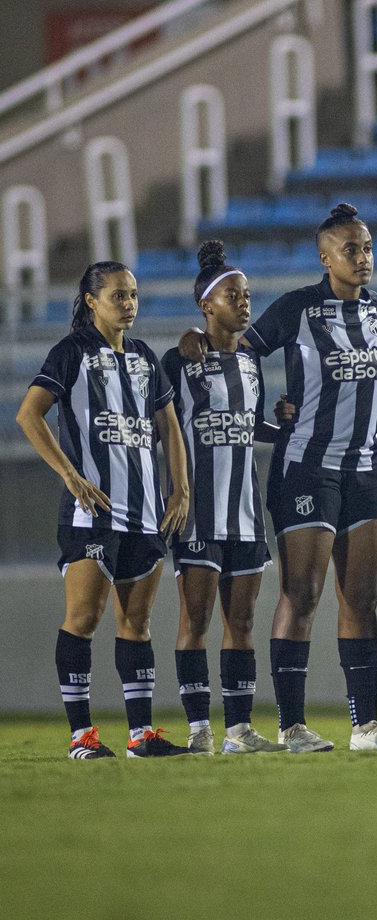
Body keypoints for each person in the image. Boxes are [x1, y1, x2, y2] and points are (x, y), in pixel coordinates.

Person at [179, 202, 377, 751]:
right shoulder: (297, 308)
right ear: (325, 257)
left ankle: (365, 725)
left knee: (362, 599)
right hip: (307, 467)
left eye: (368, 248)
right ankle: (291, 725)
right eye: (350, 249)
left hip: (366, 468)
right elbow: (236, 347)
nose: (363, 258)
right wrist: (196, 337)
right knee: (302, 595)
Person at [16, 261, 190, 759]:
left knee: (137, 622)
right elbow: (29, 413)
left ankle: (141, 736)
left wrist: (180, 490)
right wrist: (69, 474)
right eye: (118, 295)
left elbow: (170, 427)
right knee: (84, 616)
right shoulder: (71, 353)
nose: (129, 304)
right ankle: (83, 737)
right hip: (91, 510)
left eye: (133, 295)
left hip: (144, 512)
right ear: (91, 301)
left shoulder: (144, 356)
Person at [163, 241, 288, 755]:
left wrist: (280, 427)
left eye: (247, 293)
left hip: (245, 514)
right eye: (232, 294)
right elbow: (162, 425)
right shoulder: (178, 359)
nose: (244, 301)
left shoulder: (253, 362)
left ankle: (238, 730)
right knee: (194, 621)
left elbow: (245, 424)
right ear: (205, 305)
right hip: (198, 513)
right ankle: (198, 731)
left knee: (241, 623)